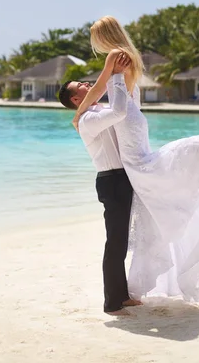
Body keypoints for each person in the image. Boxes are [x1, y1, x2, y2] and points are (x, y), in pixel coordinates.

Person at [72, 16, 199, 304]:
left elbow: (100, 91)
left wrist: (80, 110)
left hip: (129, 147)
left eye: (96, 40)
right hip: (130, 143)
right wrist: (83, 111)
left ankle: (118, 295)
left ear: (105, 37)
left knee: (141, 217)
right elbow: (111, 97)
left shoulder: (116, 59)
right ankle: (118, 296)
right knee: (155, 186)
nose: (97, 47)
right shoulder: (127, 61)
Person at [58, 52, 142, 316]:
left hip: (123, 178)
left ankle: (122, 295)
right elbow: (119, 110)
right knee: (115, 243)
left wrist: (127, 75)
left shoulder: (98, 110)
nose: (87, 84)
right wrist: (113, 73)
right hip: (111, 181)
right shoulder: (87, 120)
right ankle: (111, 302)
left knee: (122, 241)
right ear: (76, 99)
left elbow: (128, 105)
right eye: (81, 86)